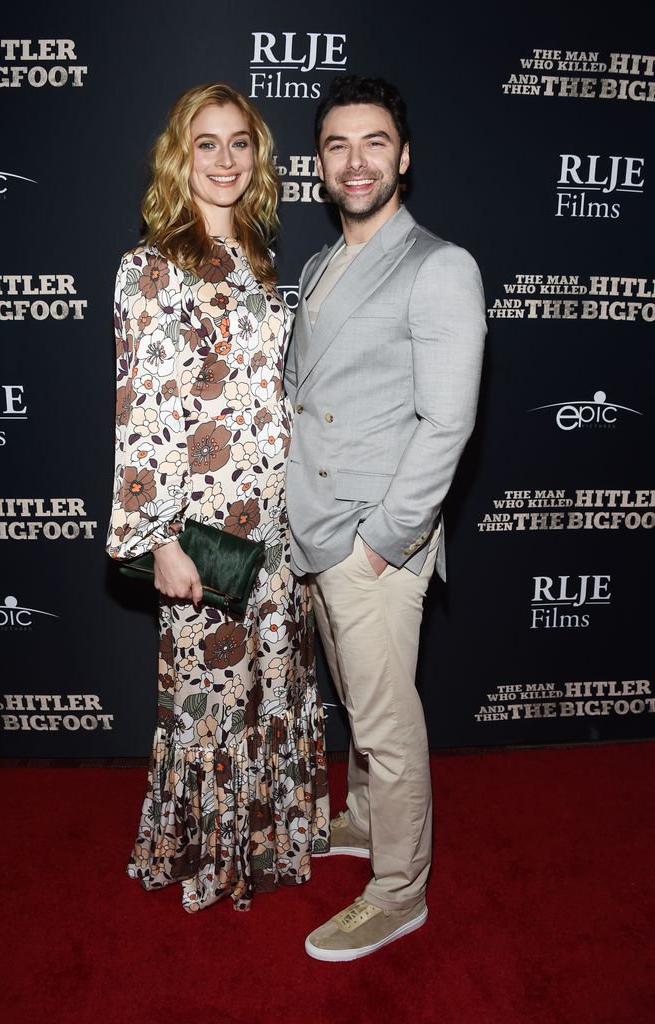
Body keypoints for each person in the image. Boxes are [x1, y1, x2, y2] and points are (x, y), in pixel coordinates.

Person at [108, 83, 330, 913]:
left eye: (241, 143)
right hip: (203, 529)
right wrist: (159, 538)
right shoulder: (149, 268)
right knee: (211, 698)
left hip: (275, 523)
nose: (226, 159)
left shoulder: (256, 261)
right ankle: (210, 851)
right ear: (180, 154)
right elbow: (141, 409)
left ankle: (267, 840)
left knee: (273, 687)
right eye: (208, 143)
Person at [284, 75, 486, 960]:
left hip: (371, 540)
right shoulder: (321, 263)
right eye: (337, 145)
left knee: (386, 725)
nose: (355, 160)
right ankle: (366, 823)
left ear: (402, 158)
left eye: (373, 143)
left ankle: (401, 891)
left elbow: (448, 423)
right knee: (361, 713)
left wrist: (380, 545)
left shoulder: (440, 266)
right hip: (316, 527)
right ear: (319, 166)